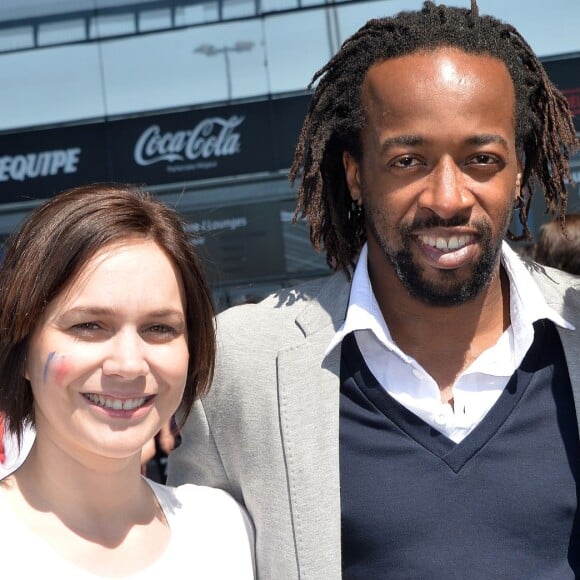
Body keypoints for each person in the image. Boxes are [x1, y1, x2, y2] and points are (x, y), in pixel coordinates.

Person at [168, 1, 580, 578]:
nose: (447, 198)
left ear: (517, 173)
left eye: (481, 159)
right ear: (357, 174)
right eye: (408, 160)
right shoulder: (243, 366)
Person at [0, 183, 255, 578]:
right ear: (23, 348)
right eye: (89, 325)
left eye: (159, 328)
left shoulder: (225, 531)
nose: (129, 364)